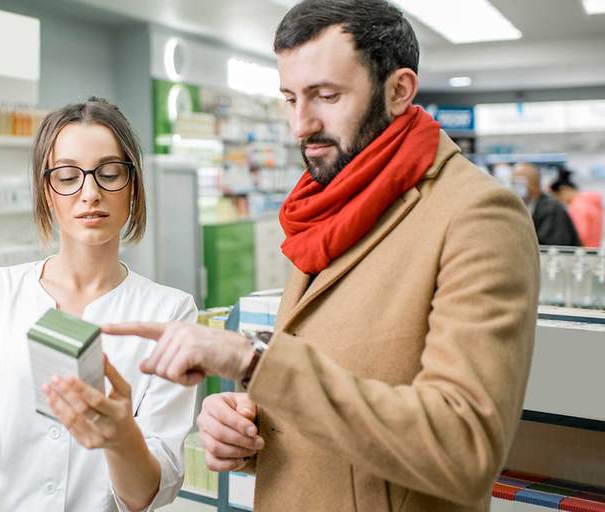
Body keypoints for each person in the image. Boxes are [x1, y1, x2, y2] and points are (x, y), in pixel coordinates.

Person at [104, 1, 540, 511]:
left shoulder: (478, 217)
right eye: (289, 99)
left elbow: (463, 449)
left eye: (325, 96)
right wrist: (249, 426)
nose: (300, 124)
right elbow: (328, 388)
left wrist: (254, 360)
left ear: (398, 90)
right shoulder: (327, 204)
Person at [0, 97, 198, 512]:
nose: (90, 192)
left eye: (110, 173)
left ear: (133, 186)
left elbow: (145, 495)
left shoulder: (168, 313)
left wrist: (121, 438)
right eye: (67, 177)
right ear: (46, 191)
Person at [513, 162, 581, 247]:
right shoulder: (527, 206)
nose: (514, 188)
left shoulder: (551, 209)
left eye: (518, 183)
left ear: (534, 184)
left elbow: (550, 247)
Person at [550, 166, 602, 248]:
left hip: (582, 254)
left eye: (557, 196)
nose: (559, 201)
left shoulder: (579, 207)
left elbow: (579, 236)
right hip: (594, 250)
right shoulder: (591, 202)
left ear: (564, 189)